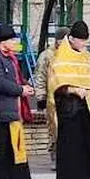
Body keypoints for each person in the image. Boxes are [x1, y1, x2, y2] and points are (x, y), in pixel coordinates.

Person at [49, 21, 90, 179]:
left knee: (86, 142)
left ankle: (87, 176)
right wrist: (72, 89)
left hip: (85, 107)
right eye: (82, 41)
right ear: (72, 39)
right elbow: (55, 84)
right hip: (68, 108)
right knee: (70, 144)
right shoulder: (60, 56)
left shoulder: (84, 56)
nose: (84, 44)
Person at [0, 25, 35, 179]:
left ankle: (13, 178)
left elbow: (16, 79)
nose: (15, 43)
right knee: (2, 146)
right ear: (3, 42)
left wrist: (25, 86)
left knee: (12, 146)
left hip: (13, 109)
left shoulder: (11, 58)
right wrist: (20, 90)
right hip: (2, 109)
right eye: (12, 40)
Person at [34, 27, 72, 170]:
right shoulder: (47, 56)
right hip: (52, 99)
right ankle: (55, 157)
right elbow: (40, 77)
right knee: (54, 130)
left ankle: (68, 157)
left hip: (68, 98)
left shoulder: (71, 54)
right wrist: (41, 98)